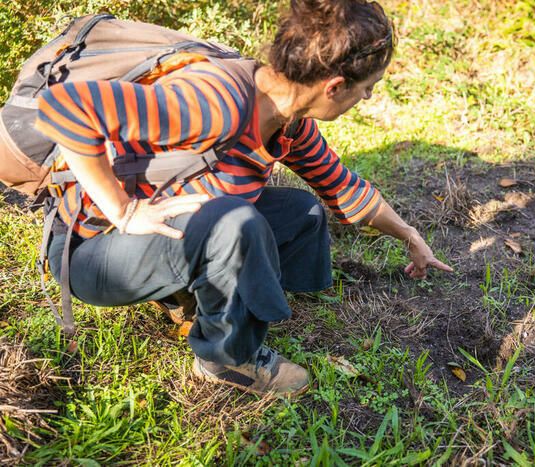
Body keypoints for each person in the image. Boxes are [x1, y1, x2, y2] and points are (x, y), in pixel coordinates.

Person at [34, 0, 453, 397]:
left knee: (302, 211)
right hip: (93, 252)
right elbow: (62, 108)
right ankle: (226, 357)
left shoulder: (287, 120)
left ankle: (203, 298)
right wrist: (123, 211)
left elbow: (341, 187)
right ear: (335, 85)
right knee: (236, 224)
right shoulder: (215, 102)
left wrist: (408, 234)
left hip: (167, 235)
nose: (367, 98)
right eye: (367, 88)